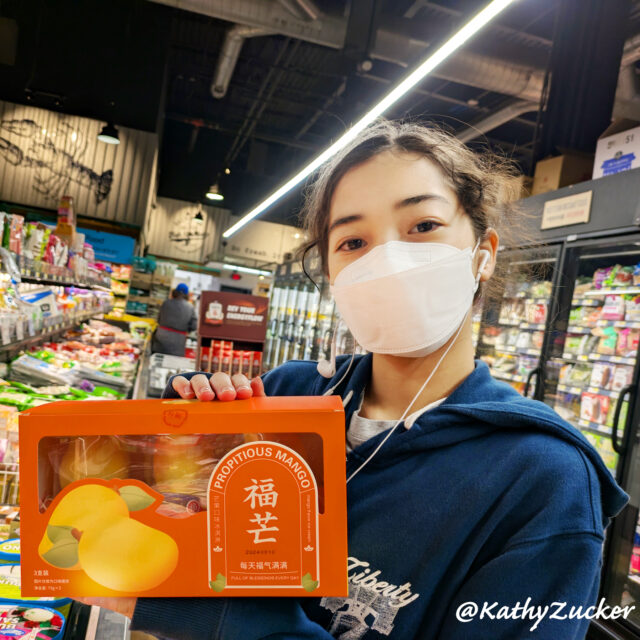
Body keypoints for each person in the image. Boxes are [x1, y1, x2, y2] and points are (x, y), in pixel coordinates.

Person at [87, 120, 628, 639]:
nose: (389, 260)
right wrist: (180, 445)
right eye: (352, 242)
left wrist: (212, 622)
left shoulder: (543, 480)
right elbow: (196, 545)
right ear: (331, 274)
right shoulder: (287, 396)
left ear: (482, 255)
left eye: (423, 227)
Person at [151, 283, 197, 357]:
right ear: (187, 294)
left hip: (161, 337)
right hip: (178, 341)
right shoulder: (190, 307)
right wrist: (185, 329)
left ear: (175, 292)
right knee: (173, 363)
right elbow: (194, 326)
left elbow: (159, 319)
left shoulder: (166, 303)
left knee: (157, 359)